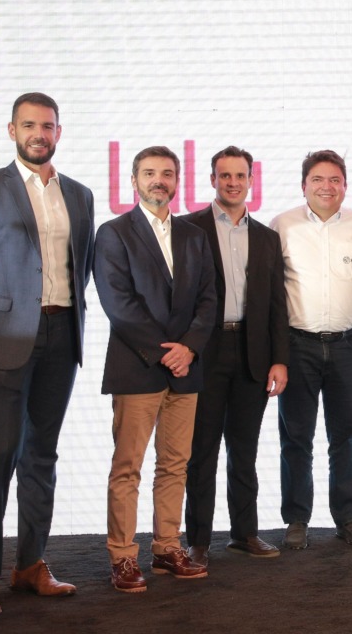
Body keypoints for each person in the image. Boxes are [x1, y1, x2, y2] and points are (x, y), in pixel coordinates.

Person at [0, 92, 95, 617]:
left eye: (47, 125)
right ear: (12, 131)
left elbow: (81, 268)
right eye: (29, 125)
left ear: (58, 132)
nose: (38, 134)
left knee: (41, 456)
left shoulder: (80, 195)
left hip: (62, 335)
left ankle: (30, 564)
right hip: (1, 340)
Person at [95, 145, 217, 592]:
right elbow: (118, 304)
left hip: (186, 369)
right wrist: (166, 351)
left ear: (177, 181)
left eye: (167, 173)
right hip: (138, 367)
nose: (158, 181)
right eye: (149, 173)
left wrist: (189, 348)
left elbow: (209, 298)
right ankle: (123, 556)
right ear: (133, 181)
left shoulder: (193, 236)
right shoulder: (113, 233)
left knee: (175, 465)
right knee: (127, 467)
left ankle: (167, 548)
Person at [183, 147, 290, 566]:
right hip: (204, 353)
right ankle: (197, 541)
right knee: (201, 451)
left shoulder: (266, 237)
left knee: (244, 450)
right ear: (212, 180)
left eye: (240, 175)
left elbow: (277, 304)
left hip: (253, 353)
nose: (232, 182)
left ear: (250, 181)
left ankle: (245, 533)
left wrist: (279, 359)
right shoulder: (188, 229)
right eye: (224, 175)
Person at [270, 150, 352, 550]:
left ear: (345, 186)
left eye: (335, 180)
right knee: (296, 437)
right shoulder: (282, 226)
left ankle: (348, 516)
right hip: (297, 345)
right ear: (304, 185)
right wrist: (275, 353)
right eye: (318, 179)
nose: (326, 187)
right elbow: (271, 293)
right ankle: (297, 519)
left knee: (346, 435)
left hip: (347, 344)